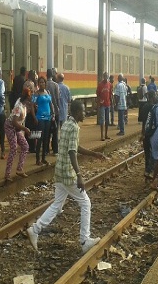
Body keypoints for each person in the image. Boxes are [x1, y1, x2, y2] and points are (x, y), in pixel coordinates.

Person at [26, 100, 107, 254]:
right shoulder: (74, 127)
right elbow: (72, 152)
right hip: (69, 174)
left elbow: (75, 147)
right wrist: (79, 175)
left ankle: (35, 230)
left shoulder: (66, 124)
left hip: (59, 172)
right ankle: (85, 240)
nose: (84, 113)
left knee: (57, 205)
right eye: (83, 111)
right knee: (86, 203)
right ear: (76, 112)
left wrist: (94, 154)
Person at [4, 87, 31, 183]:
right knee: (14, 149)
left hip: (17, 128)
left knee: (25, 146)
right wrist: (25, 129)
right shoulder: (18, 106)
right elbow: (15, 122)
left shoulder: (23, 105)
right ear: (27, 98)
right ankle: (7, 174)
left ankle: (19, 169)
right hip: (10, 127)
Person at [32, 76, 54, 166]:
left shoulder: (47, 92)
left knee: (46, 138)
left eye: (43, 82)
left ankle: (44, 158)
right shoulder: (36, 94)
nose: (41, 84)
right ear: (38, 84)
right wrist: (34, 118)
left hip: (48, 118)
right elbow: (32, 106)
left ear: (45, 83)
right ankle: (38, 159)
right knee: (39, 138)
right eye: (40, 82)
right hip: (40, 118)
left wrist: (53, 114)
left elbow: (50, 104)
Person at [139, 90, 157, 180]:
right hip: (152, 133)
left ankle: (147, 170)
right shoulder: (154, 107)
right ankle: (150, 171)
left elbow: (143, 122)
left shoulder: (144, 107)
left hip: (146, 133)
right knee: (153, 153)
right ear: (153, 97)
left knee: (147, 153)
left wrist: (142, 133)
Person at [46, 68, 60, 155]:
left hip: (46, 111)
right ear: (52, 75)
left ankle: (46, 150)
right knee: (55, 131)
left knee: (47, 131)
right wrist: (57, 108)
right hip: (55, 110)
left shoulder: (44, 84)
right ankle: (55, 150)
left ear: (46, 75)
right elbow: (58, 99)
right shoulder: (56, 85)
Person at [24, 70, 38, 153]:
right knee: (33, 128)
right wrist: (36, 103)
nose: (36, 76)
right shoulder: (32, 85)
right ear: (32, 76)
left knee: (27, 127)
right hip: (32, 109)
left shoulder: (25, 83)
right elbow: (34, 97)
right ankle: (32, 147)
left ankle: (27, 146)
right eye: (35, 75)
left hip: (26, 108)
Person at [96, 72, 112, 141]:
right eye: (105, 76)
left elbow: (110, 94)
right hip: (102, 105)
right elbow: (98, 94)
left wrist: (112, 102)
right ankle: (102, 135)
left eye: (107, 76)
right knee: (102, 120)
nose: (106, 77)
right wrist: (99, 102)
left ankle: (106, 134)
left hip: (108, 104)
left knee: (107, 120)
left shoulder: (110, 84)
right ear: (103, 76)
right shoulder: (100, 85)